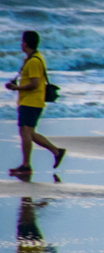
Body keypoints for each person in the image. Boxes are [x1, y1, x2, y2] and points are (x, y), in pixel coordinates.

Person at [6, 31, 65, 175]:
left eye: (22, 41)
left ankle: (26, 165)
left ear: (25, 43)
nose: (21, 43)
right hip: (30, 101)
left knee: (26, 132)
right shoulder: (32, 59)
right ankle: (56, 152)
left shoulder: (33, 61)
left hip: (31, 101)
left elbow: (34, 83)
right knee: (28, 133)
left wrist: (16, 88)